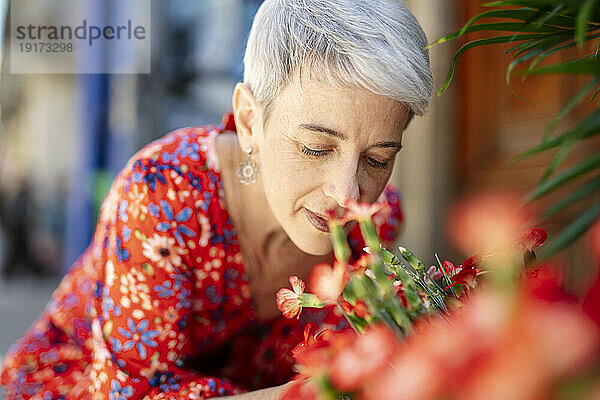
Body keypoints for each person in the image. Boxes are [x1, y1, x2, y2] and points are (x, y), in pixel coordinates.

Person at [0, 0, 432, 398]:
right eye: (316, 148)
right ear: (248, 121)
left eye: (377, 159)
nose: (347, 193)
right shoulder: (162, 198)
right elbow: (129, 393)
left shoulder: (375, 223)